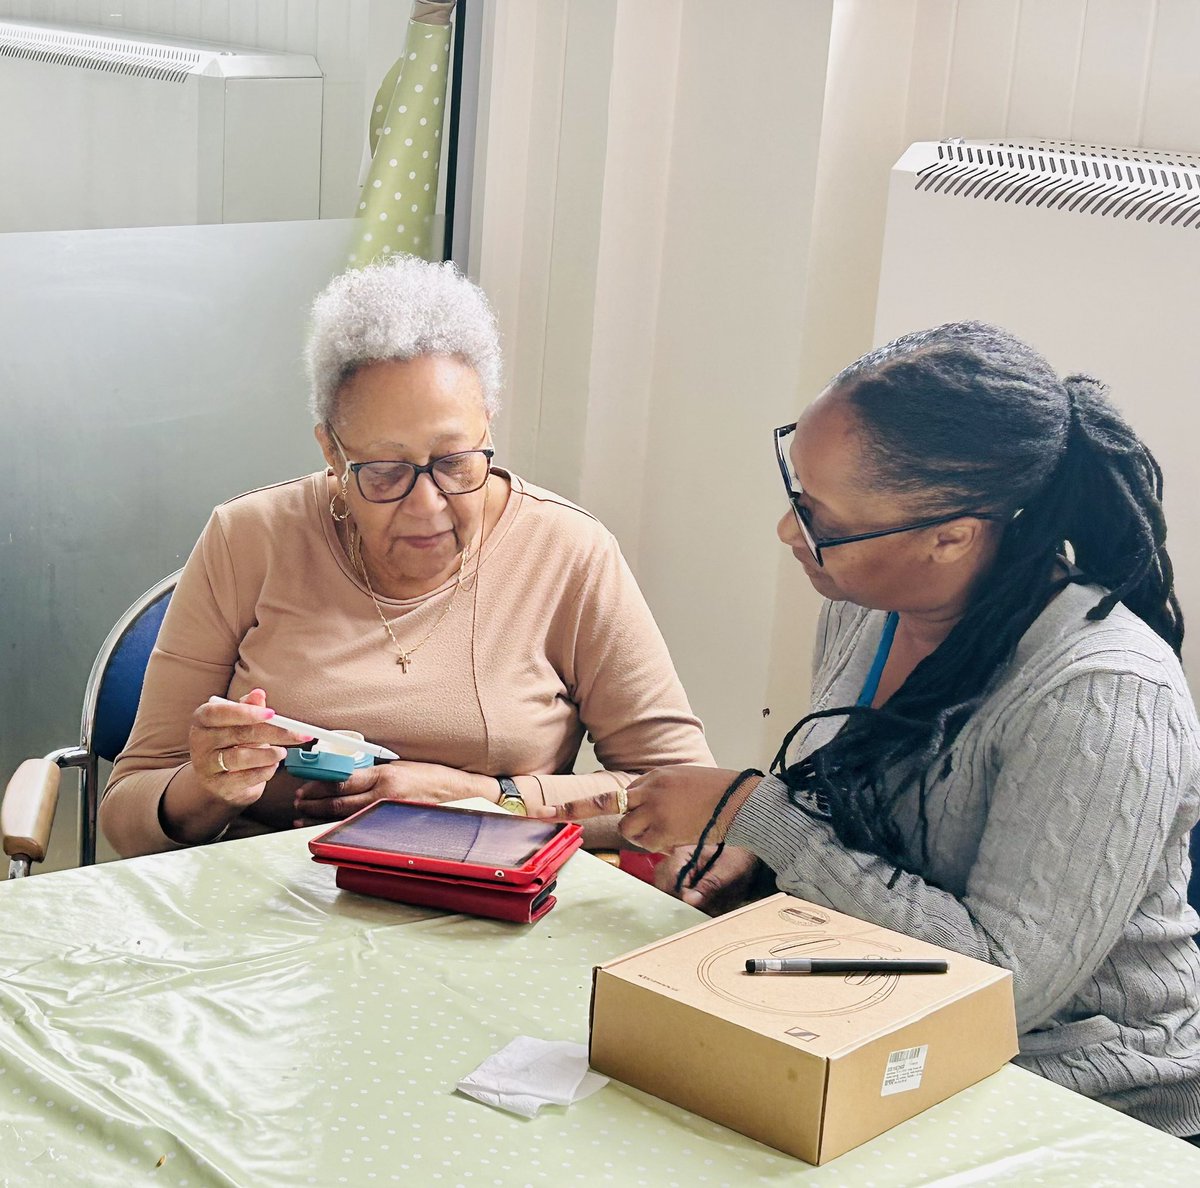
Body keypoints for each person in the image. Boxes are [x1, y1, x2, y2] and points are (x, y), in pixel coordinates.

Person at [540, 321, 1200, 1138]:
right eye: (795, 494)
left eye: (819, 519)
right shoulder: (873, 611)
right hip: (875, 1026)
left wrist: (763, 818)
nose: (790, 533)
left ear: (951, 536)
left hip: (1078, 1091)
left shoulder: (1103, 694)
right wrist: (757, 859)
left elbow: (1002, 989)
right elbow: (858, 832)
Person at [100, 255, 712, 856]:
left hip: (483, 909)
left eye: (454, 462)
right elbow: (126, 814)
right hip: (272, 906)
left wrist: (488, 798)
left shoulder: (569, 553)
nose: (427, 505)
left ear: (488, 426)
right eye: (386, 471)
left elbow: (681, 797)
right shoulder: (248, 539)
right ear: (333, 454)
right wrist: (210, 789)